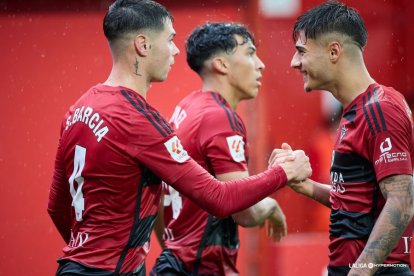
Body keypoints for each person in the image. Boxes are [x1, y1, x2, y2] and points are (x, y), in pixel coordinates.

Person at [47, 0, 312, 275]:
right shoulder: (139, 120)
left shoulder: (78, 109)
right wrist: (284, 172)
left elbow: (56, 207)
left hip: (73, 267)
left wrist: (89, 258)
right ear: (143, 45)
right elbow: (219, 199)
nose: (175, 50)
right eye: (170, 39)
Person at [270, 1, 414, 275]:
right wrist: (306, 186)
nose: (293, 62)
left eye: (301, 51)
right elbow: (358, 200)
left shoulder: (381, 108)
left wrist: (360, 271)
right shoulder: (355, 112)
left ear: (334, 51)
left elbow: (403, 202)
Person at [151, 22, 287, 275]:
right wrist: (272, 203)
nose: (260, 64)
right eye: (249, 53)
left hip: (176, 264)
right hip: (200, 267)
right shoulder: (220, 117)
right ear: (221, 65)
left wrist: (174, 253)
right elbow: (245, 213)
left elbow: (156, 193)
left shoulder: (187, 107)